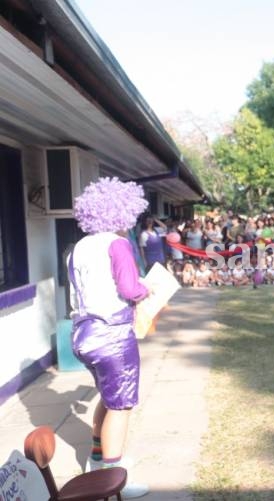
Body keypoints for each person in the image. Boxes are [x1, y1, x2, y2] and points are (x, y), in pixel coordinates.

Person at [68, 177, 151, 498]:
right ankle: (114, 479)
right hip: (112, 335)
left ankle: (96, 458)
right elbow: (130, 289)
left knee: (108, 395)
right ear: (123, 211)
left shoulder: (80, 247)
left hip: (83, 334)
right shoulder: (117, 243)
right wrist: (149, 289)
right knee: (121, 405)